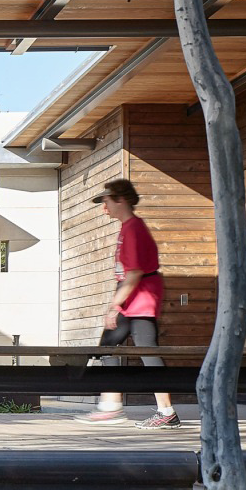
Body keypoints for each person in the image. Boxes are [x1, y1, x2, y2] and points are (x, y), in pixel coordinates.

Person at [86, 178, 175, 427]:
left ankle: (163, 412)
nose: (103, 207)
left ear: (120, 199)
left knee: (144, 349)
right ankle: (112, 405)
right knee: (110, 345)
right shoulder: (128, 227)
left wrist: (115, 306)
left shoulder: (134, 228)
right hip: (135, 294)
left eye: (106, 201)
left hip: (140, 295)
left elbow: (134, 273)